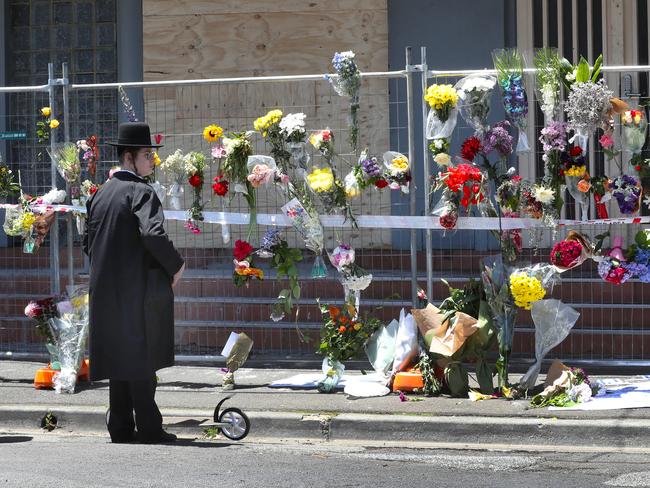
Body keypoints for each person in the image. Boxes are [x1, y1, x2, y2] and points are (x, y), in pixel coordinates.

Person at [83, 122, 185, 444]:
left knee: (119, 359)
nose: (152, 160)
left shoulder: (100, 194)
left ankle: (121, 428)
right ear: (129, 158)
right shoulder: (141, 191)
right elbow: (153, 235)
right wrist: (176, 266)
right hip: (137, 291)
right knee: (141, 359)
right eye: (146, 155)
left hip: (105, 292)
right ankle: (150, 429)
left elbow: (87, 242)